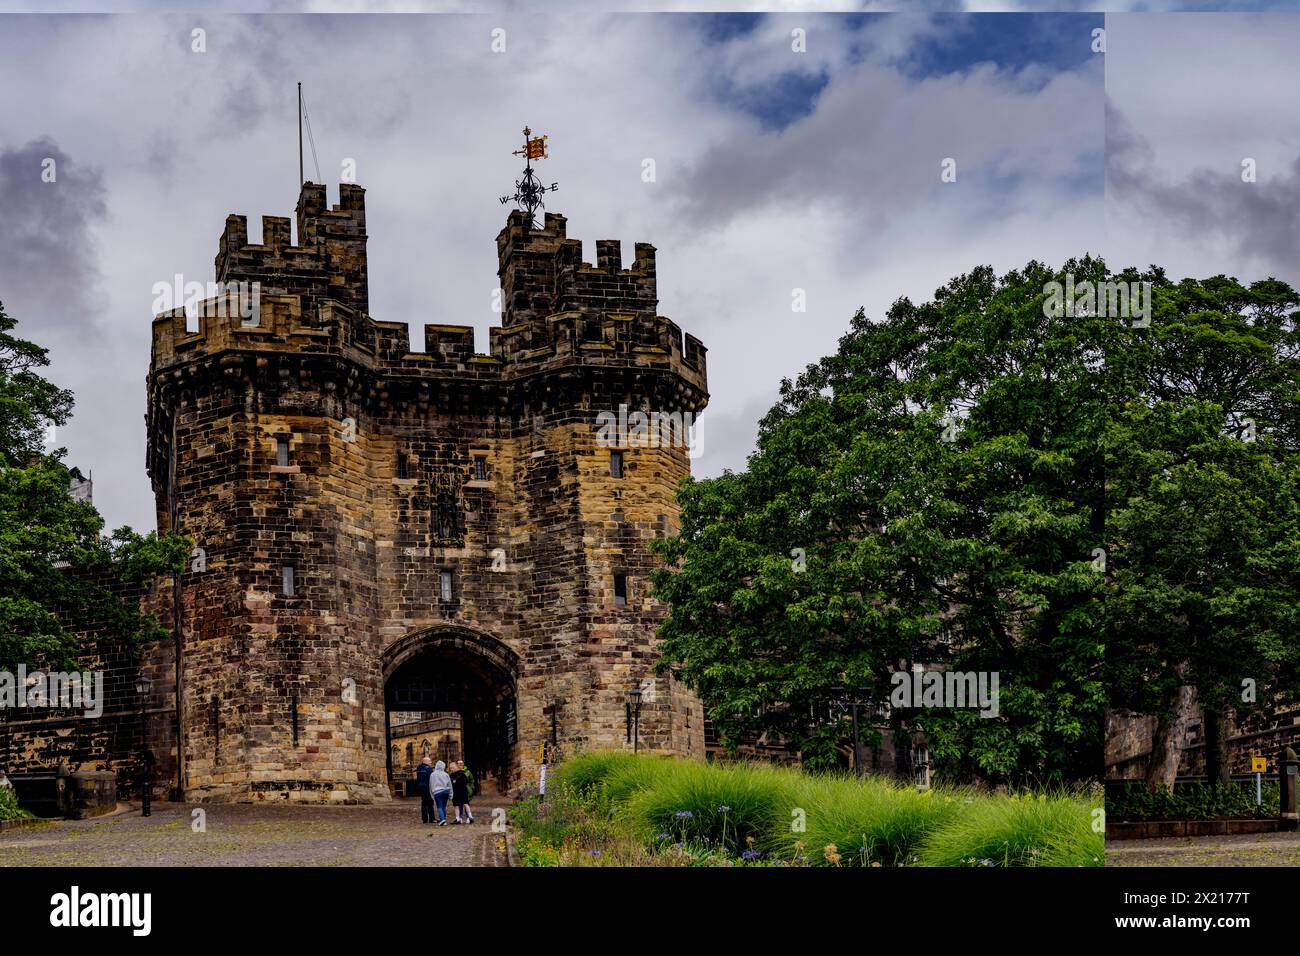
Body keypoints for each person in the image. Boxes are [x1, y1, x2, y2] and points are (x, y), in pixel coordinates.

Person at [429, 759, 453, 826]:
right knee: (443, 807)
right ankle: (444, 819)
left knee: (439, 806)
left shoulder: (432, 775)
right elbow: (450, 784)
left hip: (437, 792)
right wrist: (451, 794)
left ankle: (442, 820)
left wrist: (432, 795)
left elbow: (431, 785)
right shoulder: (446, 774)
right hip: (446, 791)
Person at [415, 756, 435, 825]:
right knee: (430, 803)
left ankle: (424, 819)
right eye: (429, 761)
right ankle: (432, 818)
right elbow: (431, 778)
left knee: (423, 803)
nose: (431, 762)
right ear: (425, 762)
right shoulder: (428, 768)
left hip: (421, 787)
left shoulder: (419, 768)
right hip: (428, 788)